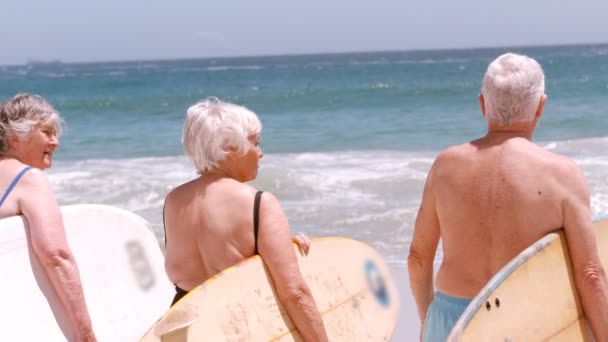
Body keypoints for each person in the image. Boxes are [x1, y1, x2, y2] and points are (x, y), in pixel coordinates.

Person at [408, 53, 608, 341]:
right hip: (527, 322)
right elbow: (590, 275)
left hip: (450, 320)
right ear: (540, 107)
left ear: (482, 104)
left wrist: (431, 323)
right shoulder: (563, 174)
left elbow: (417, 259)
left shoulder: (445, 166)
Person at [163, 97, 328, 341]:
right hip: (241, 329)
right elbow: (294, 293)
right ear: (229, 149)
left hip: (185, 332)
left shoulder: (173, 201)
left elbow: (206, 263)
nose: (261, 153)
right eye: (255, 144)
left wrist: (276, 247)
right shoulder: (258, 203)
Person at [0, 93, 97, 341]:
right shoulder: (28, 178)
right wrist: (84, 333)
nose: (55, 142)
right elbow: (56, 257)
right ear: (15, 137)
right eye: (46, 132)